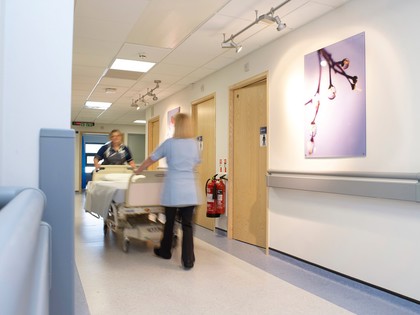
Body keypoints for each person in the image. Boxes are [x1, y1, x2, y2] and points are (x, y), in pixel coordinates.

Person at [134, 113, 201, 270]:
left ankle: (165, 252)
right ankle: (188, 260)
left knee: (169, 223)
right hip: (190, 190)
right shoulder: (194, 144)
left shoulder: (169, 143)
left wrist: (138, 171)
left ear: (176, 126)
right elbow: (196, 163)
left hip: (174, 189)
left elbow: (152, 159)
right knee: (187, 225)